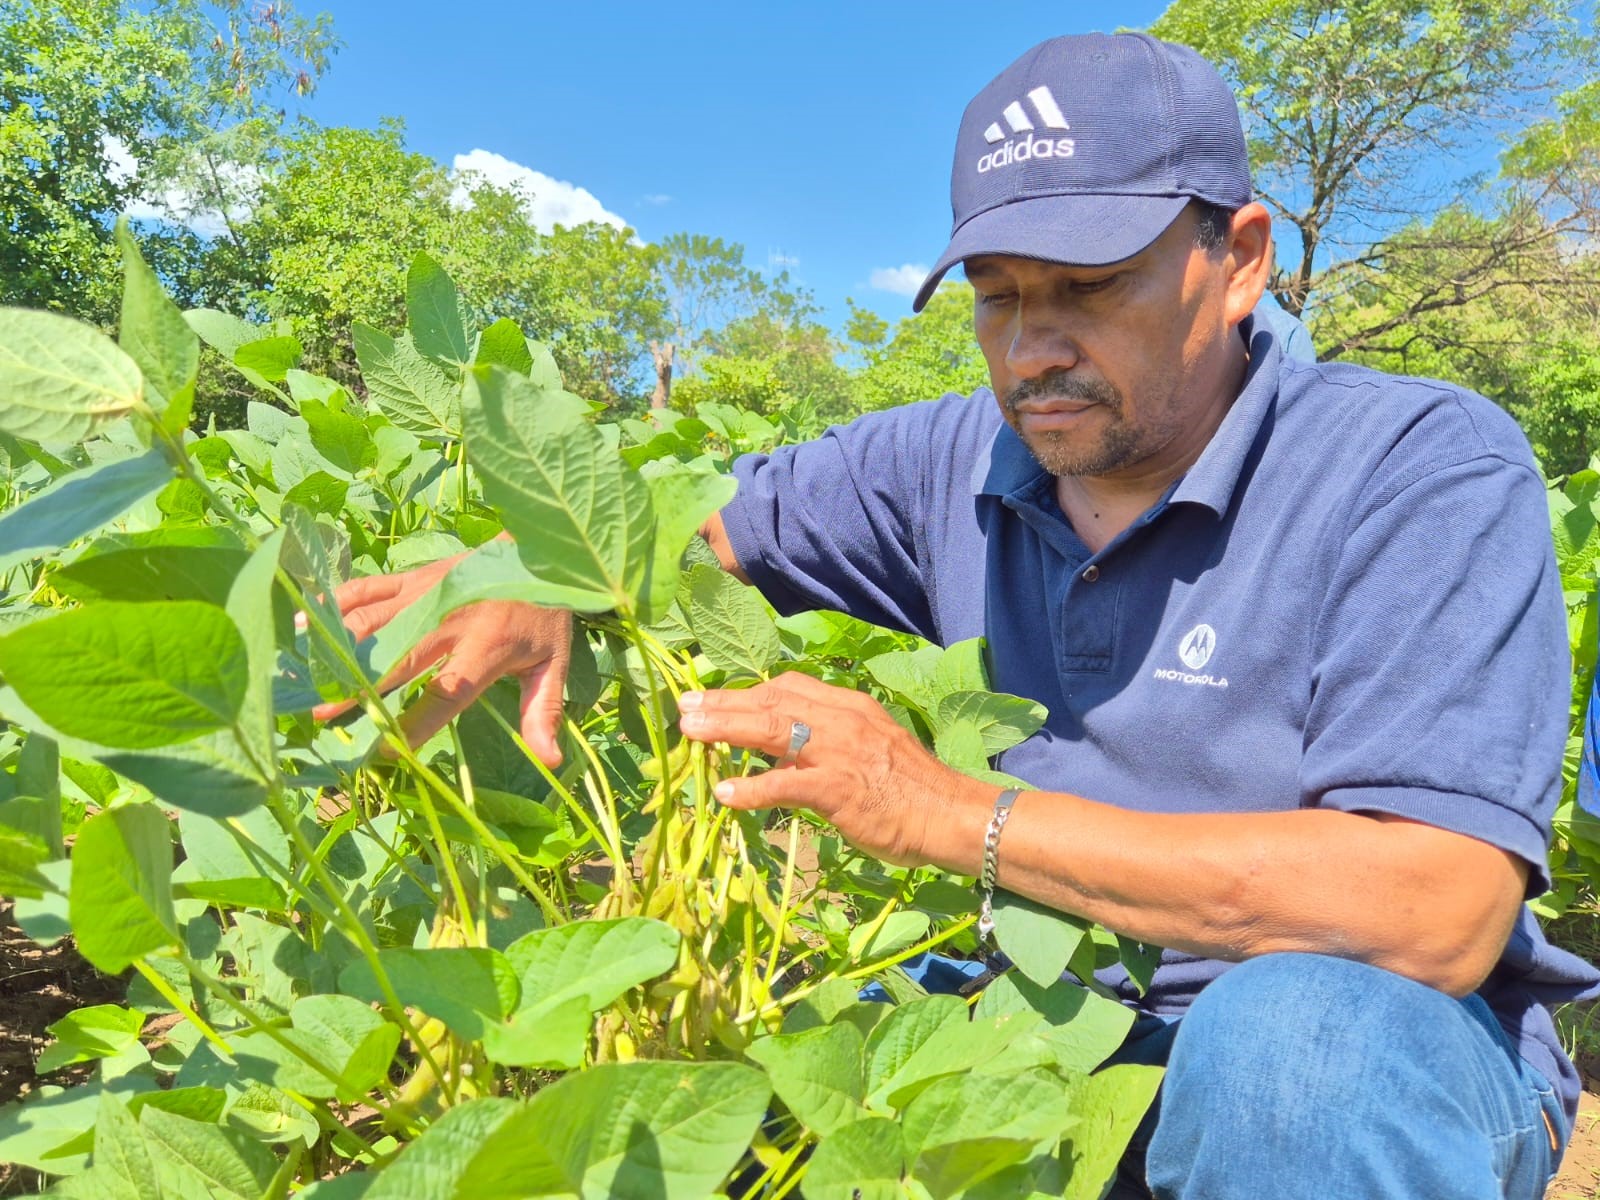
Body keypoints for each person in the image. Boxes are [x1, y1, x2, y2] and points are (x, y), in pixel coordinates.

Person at [324, 32, 1599, 1199]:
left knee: (1290, 1053)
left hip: (1356, 1063)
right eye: (997, 294)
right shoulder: (948, 458)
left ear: (1241, 261)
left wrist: (945, 812)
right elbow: (674, 518)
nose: (1033, 346)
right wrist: (520, 572)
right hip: (1022, 1023)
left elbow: (1431, 910)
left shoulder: (1414, 465)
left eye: (1089, 287)